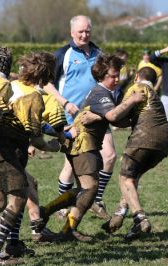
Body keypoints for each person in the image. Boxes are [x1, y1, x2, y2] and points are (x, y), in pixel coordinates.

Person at [41, 54, 145, 242]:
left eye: (117, 75)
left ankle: (48, 214)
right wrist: (132, 101)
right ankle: (65, 230)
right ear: (102, 76)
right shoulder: (100, 93)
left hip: (84, 144)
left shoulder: (105, 92)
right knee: (90, 190)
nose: (116, 79)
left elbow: (117, 119)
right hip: (84, 144)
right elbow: (113, 116)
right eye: (113, 76)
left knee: (84, 190)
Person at [0, 52, 61, 265]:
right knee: (14, 198)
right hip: (6, 149)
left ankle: (13, 243)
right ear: (46, 75)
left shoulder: (13, 84)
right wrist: (53, 146)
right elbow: (36, 137)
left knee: (16, 193)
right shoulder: (33, 96)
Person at [43, 15, 115, 220]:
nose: (84, 35)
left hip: (96, 115)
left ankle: (95, 199)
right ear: (72, 32)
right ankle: (62, 206)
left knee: (109, 156)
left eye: (88, 31)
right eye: (80, 31)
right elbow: (46, 84)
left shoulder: (99, 53)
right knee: (71, 164)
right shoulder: (62, 54)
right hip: (70, 118)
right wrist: (64, 103)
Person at [101, 66, 168, 240]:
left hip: (143, 138)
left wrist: (101, 116)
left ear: (137, 77)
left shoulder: (137, 88)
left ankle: (140, 218)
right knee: (132, 178)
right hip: (163, 143)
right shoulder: (154, 93)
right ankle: (119, 215)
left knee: (125, 178)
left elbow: (119, 115)